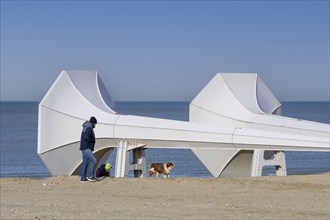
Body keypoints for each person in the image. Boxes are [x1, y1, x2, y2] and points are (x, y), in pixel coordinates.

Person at [80, 116, 98, 182]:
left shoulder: (86, 127)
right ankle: (91, 176)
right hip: (87, 147)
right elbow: (87, 137)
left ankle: (83, 178)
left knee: (85, 162)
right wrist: (92, 140)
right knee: (93, 160)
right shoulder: (89, 128)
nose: (95, 126)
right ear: (93, 123)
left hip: (83, 147)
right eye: (95, 124)